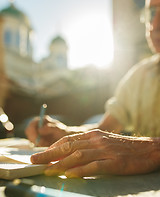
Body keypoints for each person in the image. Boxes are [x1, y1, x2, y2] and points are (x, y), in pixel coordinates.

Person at [27, 0, 160, 178]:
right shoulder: (139, 76)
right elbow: (106, 129)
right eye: (151, 13)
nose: (155, 24)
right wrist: (65, 135)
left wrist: (151, 150)